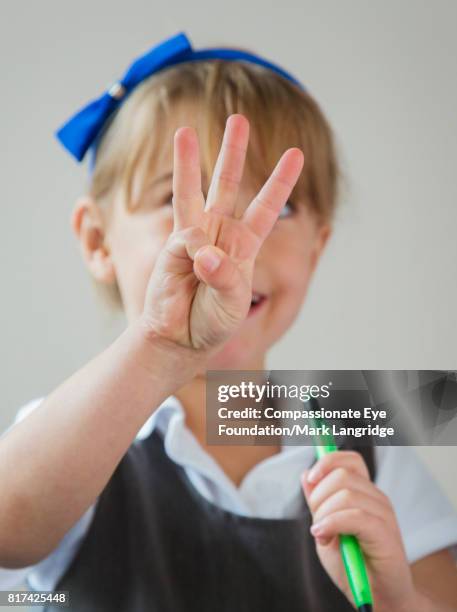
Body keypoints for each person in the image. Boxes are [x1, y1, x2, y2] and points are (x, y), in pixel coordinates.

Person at [0, 31, 456, 611]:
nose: (236, 242)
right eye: (179, 198)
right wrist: (163, 344)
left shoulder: (364, 429)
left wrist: (396, 599)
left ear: (318, 248)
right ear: (98, 240)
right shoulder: (76, 431)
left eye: (279, 206)